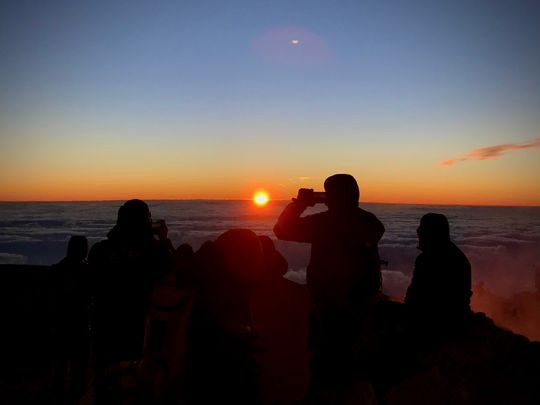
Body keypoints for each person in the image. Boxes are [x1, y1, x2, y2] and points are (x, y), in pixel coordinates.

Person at [273, 174, 385, 402]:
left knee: (323, 366)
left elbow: (281, 230)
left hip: (327, 306)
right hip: (361, 305)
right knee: (353, 367)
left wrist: (299, 204)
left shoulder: (324, 223)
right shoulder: (371, 222)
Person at [88, 199, 173, 401]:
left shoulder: (100, 251)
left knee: (107, 391)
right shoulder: (156, 254)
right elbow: (173, 272)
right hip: (140, 339)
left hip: (106, 336)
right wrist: (162, 240)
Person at [405, 213, 472, 342]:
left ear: (430, 233)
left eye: (422, 228)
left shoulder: (427, 259)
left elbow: (417, 296)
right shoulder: (457, 255)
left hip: (436, 325)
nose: (418, 232)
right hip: (457, 320)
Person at [50, 235, 91, 405]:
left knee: (61, 364)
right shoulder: (85, 272)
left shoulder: (57, 270)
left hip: (60, 324)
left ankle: (58, 395)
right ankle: (75, 396)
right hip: (77, 324)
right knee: (79, 365)